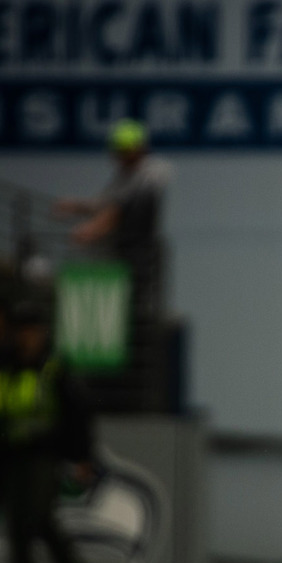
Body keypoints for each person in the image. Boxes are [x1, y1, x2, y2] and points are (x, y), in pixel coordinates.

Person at [53, 117, 172, 410]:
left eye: (123, 150)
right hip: (120, 262)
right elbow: (105, 203)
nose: (117, 156)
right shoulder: (126, 176)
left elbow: (115, 211)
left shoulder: (150, 175)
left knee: (131, 327)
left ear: (138, 149)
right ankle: (102, 393)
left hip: (137, 262)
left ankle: (124, 397)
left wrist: (91, 230)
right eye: (116, 150)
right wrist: (75, 206)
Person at [0, 301, 94, 563]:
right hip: (11, 457)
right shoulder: (5, 366)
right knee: (18, 527)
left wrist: (81, 457)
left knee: (34, 520)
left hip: (43, 456)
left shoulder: (54, 368)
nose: (27, 337)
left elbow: (77, 414)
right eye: (22, 331)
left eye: (32, 331)